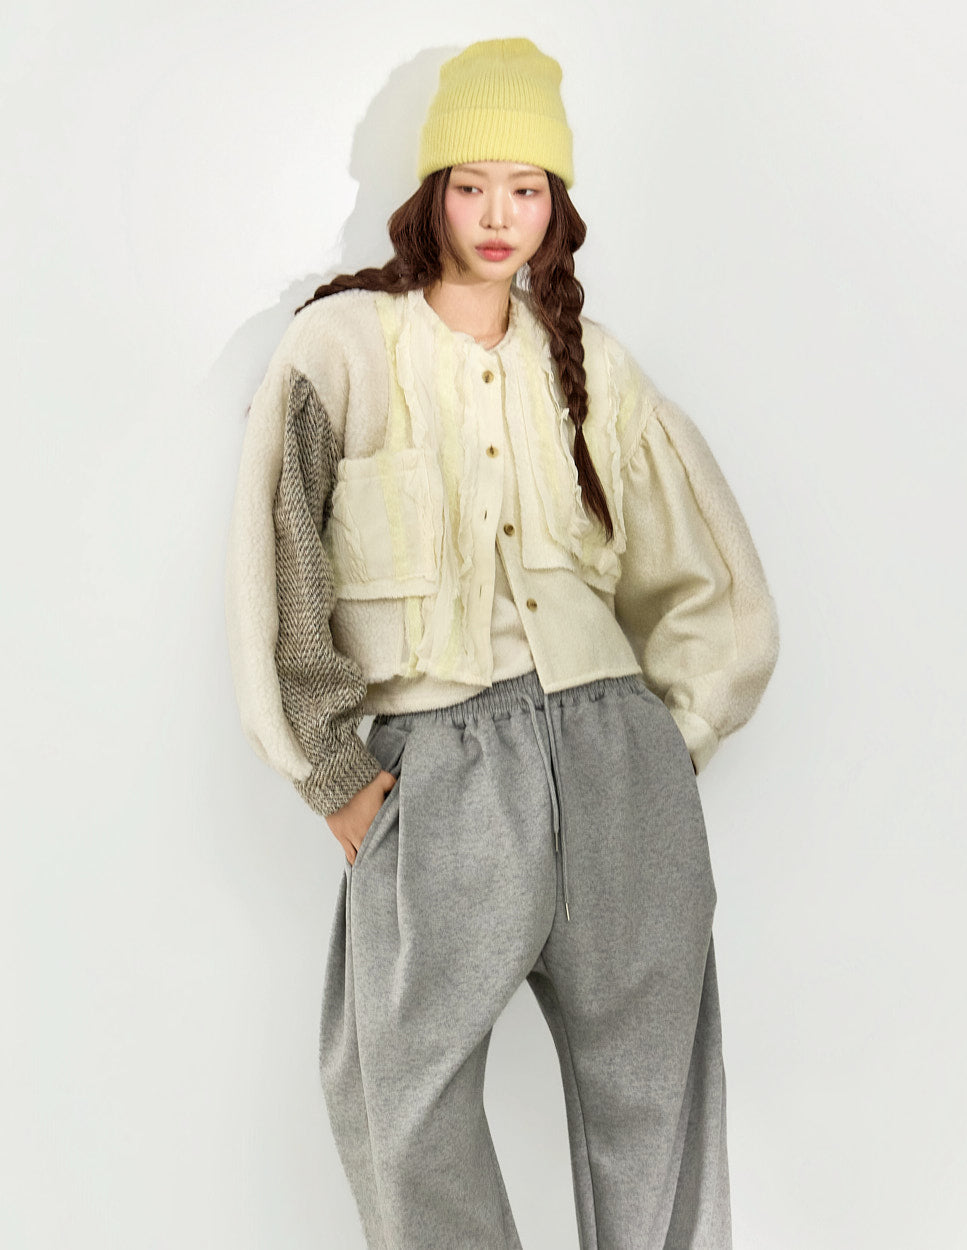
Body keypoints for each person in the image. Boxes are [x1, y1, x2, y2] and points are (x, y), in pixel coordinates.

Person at [224, 35, 779, 1250]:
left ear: (555, 206)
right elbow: (286, 562)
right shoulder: (342, 345)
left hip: (614, 757)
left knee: (655, 1104)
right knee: (396, 1096)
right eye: (471, 185)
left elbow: (706, 577)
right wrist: (334, 771)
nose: (495, 216)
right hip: (440, 768)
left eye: (525, 188)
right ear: (430, 191)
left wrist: (668, 744)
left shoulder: (592, 365)